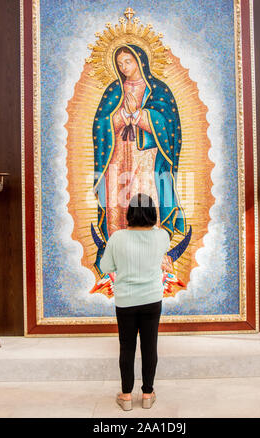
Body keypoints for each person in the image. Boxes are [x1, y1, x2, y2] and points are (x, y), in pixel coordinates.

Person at [92, 44, 187, 278]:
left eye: (129, 61)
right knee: (118, 201)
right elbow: (100, 124)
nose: (124, 67)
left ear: (140, 61)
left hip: (147, 156)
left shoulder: (158, 90)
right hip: (117, 156)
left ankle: (153, 261)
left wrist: (141, 115)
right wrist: (122, 116)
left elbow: (169, 123)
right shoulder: (114, 90)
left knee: (145, 198)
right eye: (121, 63)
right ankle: (117, 261)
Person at [100, 193, 171, 411]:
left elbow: (105, 268)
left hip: (125, 301)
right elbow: (161, 255)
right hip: (152, 298)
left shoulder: (117, 238)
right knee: (150, 347)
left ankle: (127, 396)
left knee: (127, 348)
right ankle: (148, 394)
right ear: (153, 213)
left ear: (129, 213)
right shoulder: (162, 236)